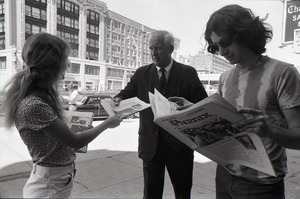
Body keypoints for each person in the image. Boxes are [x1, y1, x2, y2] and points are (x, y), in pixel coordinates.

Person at [0, 32, 121, 198]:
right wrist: (108, 123)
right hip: (50, 185)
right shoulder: (34, 104)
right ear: (53, 65)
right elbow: (75, 141)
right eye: (65, 59)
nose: (69, 64)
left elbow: (55, 139)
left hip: (53, 180)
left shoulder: (38, 97)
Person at [203, 4, 300, 199]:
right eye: (215, 47)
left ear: (244, 33)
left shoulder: (283, 73)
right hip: (224, 174)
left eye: (226, 42)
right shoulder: (225, 78)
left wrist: (269, 130)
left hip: (261, 185)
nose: (221, 52)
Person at [113, 30, 207, 199]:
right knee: (151, 194)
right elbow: (126, 93)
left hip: (180, 147)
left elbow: (202, 104)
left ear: (171, 49)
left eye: (158, 48)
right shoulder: (142, 73)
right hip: (151, 146)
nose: (153, 53)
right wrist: (117, 99)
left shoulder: (188, 73)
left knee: (182, 192)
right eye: (151, 48)